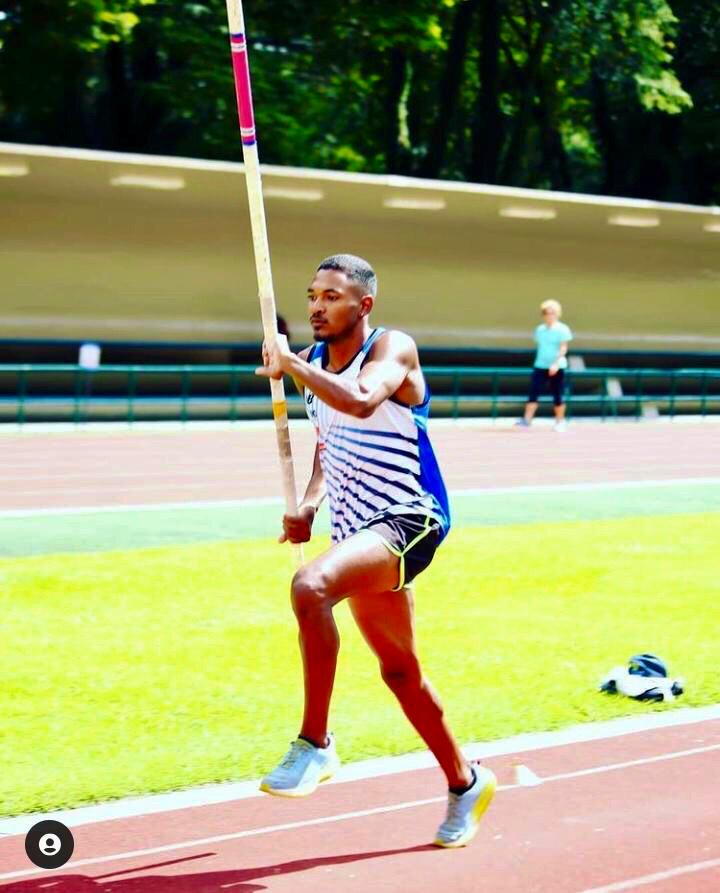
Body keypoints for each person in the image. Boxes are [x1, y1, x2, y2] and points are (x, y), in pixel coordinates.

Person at [255, 253, 496, 848]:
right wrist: (309, 505)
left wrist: (288, 365)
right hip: (358, 531)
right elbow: (328, 441)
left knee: (310, 587)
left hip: (411, 519)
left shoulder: (393, 350)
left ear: (363, 305)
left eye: (332, 296)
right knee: (400, 672)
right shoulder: (314, 363)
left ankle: (315, 744)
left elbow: (361, 401)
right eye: (312, 295)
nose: (317, 305)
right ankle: (466, 782)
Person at [516, 299, 573, 432]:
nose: (549, 315)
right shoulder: (540, 330)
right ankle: (527, 420)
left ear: (557, 314)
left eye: (552, 313)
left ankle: (560, 422)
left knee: (557, 394)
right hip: (540, 365)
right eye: (546, 313)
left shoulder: (562, 329)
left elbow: (563, 348)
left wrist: (555, 363)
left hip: (557, 367)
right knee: (533, 392)